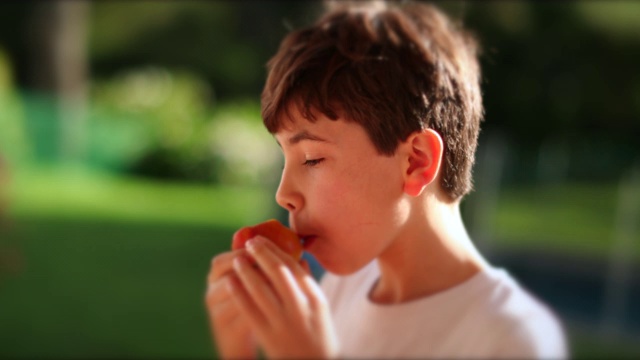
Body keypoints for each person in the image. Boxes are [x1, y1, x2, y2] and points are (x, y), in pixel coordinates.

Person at [205, 1, 568, 358]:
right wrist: (239, 347)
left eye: (312, 159)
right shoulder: (339, 291)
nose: (284, 195)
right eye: (285, 159)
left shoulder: (513, 340)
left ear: (416, 161)